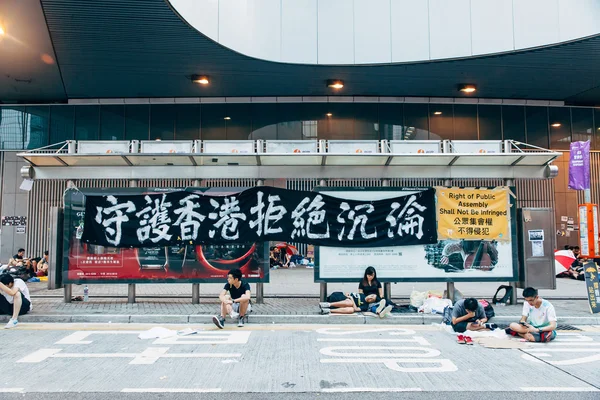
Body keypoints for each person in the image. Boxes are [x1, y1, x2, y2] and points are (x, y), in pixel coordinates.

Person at [319, 293, 385, 315]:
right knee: (350, 303)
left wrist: (352, 299)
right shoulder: (362, 295)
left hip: (342, 307)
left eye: (372, 299)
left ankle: (328, 311)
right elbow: (348, 294)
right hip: (339, 298)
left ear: (372, 302)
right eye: (371, 295)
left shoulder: (365, 306)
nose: (370, 297)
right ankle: (328, 304)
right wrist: (348, 295)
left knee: (351, 310)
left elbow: (356, 309)